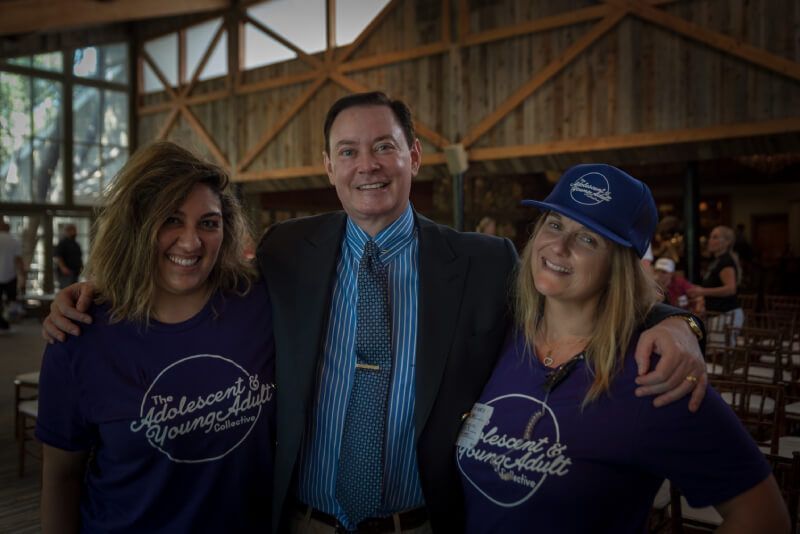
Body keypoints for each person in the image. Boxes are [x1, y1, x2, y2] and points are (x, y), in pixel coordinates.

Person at [43, 92, 706, 533]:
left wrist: (672, 322)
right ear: (327, 166)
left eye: (384, 147)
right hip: (302, 522)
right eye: (350, 151)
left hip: (423, 523)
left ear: (413, 156)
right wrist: (98, 288)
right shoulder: (287, 250)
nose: (369, 165)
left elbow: (579, 302)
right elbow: (188, 268)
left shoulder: (484, 261)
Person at [456, 164, 788, 533]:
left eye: (588, 239)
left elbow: (764, 516)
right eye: (554, 224)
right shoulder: (498, 338)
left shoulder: (654, 374)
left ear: (619, 267)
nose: (559, 246)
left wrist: (682, 325)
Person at [36, 142, 276, 533]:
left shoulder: (260, 305)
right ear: (136, 226)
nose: (191, 242)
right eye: (170, 220)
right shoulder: (78, 333)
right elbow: (61, 479)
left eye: (208, 223)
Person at [688, 225, 744, 341]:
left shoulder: (726, 261)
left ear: (727, 242)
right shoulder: (717, 261)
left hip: (726, 315)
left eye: (715, 237)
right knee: (692, 328)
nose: (710, 240)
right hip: (714, 315)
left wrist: (702, 291)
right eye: (710, 237)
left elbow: (730, 289)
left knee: (716, 352)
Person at [0, 219, 25, 333]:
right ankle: (6, 323)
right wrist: (22, 274)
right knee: (11, 302)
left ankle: (3, 323)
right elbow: (18, 259)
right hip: (10, 274)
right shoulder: (14, 241)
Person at [54, 223, 83, 289]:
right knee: (66, 290)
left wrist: (81, 267)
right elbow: (58, 256)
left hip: (75, 272)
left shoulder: (76, 244)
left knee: (74, 290)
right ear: (68, 231)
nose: (75, 232)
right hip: (66, 273)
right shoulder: (63, 243)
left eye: (75, 230)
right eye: (73, 230)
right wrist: (63, 268)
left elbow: (79, 257)